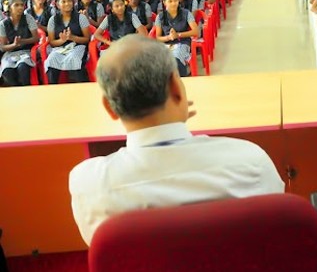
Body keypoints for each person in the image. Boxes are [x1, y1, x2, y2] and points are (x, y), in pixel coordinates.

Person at [68, 35, 284, 246]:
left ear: (110, 108)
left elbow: (100, 246)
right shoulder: (250, 161)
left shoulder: (88, 184)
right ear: (176, 88)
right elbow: (275, 225)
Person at [45, 0, 91, 84]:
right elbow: (52, 42)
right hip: (60, 48)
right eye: (64, 2)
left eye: (69, 1)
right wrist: (62, 40)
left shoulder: (81, 18)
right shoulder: (52, 20)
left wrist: (72, 37)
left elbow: (87, 39)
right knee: (51, 59)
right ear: (58, 5)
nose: (67, 4)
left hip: (77, 47)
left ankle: (81, 86)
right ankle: (52, 88)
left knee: (73, 58)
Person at [154, 0, 199, 77]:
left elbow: (195, 31)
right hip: (167, 43)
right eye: (170, 1)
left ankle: (181, 79)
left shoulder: (186, 13)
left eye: (175, 0)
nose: (173, 3)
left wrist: (178, 35)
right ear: (164, 2)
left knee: (176, 58)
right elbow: (158, 37)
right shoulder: (160, 17)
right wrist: (169, 37)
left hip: (182, 42)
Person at [0, 0, 40, 86]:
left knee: (23, 67)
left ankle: (26, 90)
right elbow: (3, 47)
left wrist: (22, 41)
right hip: (10, 53)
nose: (20, 7)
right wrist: (14, 45)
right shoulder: (3, 24)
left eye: (22, 5)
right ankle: (17, 90)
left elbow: (36, 38)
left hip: (26, 51)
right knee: (7, 71)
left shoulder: (28, 18)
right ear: (10, 8)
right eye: (16, 5)